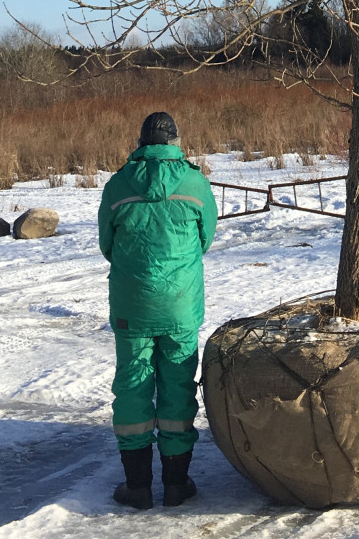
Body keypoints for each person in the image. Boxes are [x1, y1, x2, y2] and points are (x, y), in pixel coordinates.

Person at [97, 110, 217, 510]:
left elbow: (107, 244)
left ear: (141, 142)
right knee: (178, 387)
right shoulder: (195, 183)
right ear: (175, 142)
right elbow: (206, 237)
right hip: (180, 303)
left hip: (132, 303)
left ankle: (138, 486)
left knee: (132, 386)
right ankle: (177, 484)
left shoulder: (118, 185)